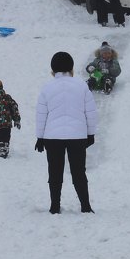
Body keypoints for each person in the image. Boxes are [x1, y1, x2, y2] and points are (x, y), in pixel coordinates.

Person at [34, 51, 98, 214]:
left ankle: (54, 206)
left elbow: (41, 115)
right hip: (77, 136)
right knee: (79, 172)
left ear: (53, 69)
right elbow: (90, 112)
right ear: (71, 68)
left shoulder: (47, 88)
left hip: (52, 137)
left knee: (54, 172)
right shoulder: (81, 86)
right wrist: (90, 134)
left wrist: (40, 137)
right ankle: (85, 206)